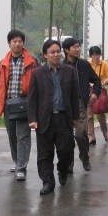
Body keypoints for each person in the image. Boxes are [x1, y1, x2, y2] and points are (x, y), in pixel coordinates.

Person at [27, 39, 79, 195]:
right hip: (44, 119)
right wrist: (32, 119)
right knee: (45, 154)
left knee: (66, 150)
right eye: (52, 52)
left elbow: (74, 96)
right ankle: (48, 182)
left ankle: (62, 170)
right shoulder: (37, 74)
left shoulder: (69, 71)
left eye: (58, 51)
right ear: (45, 55)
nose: (56, 54)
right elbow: (32, 98)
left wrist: (75, 117)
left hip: (64, 118)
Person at [0, 30, 38, 182]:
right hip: (9, 104)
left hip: (25, 103)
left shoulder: (32, 61)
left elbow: (38, 80)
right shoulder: (3, 63)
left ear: (23, 43)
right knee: (12, 136)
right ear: (9, 43)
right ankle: (17, 161)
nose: (17, 44)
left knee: (23, 137)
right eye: (14, 41)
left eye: (20, 41)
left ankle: (21, 167)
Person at [61, 38, 101, 172]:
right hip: (64, 105)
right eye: (75, 47)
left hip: (80, 104)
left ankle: (84, 157)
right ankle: (69, 163)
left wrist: (95, 93)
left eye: (78, 47)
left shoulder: (83, 65)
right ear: (67, 50)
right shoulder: (61, 66)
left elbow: (96, 80)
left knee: (80, 134)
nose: (78, 49)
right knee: (67, 137)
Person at [88, 45, 108, 145]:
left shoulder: (104, 64)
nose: (96, 57)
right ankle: (91, 136)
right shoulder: (87, 64)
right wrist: (89, 83)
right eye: (94, 55)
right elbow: (83, 76)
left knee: (100, 114)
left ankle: (105, 133)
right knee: (89, 115)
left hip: (99, 90)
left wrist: (104, 82)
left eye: (98, 54)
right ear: (91, 55)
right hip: (88, 91)